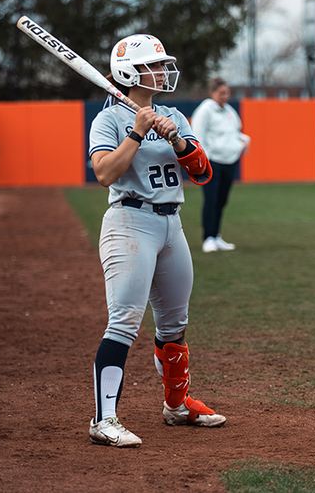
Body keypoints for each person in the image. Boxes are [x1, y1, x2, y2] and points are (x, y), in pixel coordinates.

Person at [87, 34, 225, 448]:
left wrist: (177, 140)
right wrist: (136, 132)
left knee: (174, 325)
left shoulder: (175, 116)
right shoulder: (108, 120)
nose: (163, 71)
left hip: (172, 224)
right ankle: (104, 419)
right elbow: (105, 173)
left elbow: (202, 173)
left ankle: (177, 406)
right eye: (155, 65)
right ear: (131, 73)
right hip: (130, 222)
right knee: (124, 322)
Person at [191, 77, 250, 253]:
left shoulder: (230, 112)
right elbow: (198, 135)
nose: (225, 96)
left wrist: (244, 141)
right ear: (212, 93)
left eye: (227, 93)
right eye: (221, 93)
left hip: (230, 161)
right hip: (213, 163)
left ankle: (216, 235)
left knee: (222, 200)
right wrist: (204, 161)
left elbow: (236, 133)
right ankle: (208, 237)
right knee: (211, 200)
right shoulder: (205, 111)